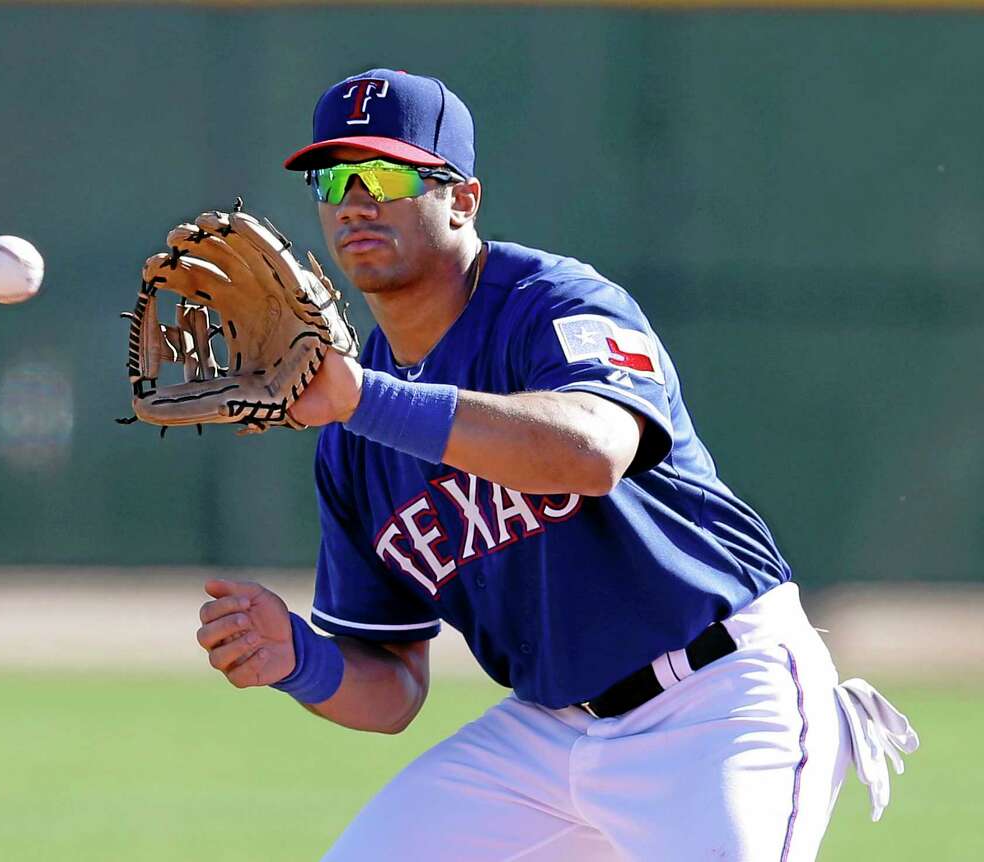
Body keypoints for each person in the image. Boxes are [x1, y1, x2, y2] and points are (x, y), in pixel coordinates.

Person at [195, 68, 916, 861]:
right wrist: (299, 659)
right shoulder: (350, 429)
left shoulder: (552, 304)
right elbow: (394, 687)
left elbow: (592, 452)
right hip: (546, 734)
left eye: (389, 172)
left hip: (720, 699)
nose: (356, 199)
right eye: (333, 178)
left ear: (463, 199)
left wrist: (364, 400)